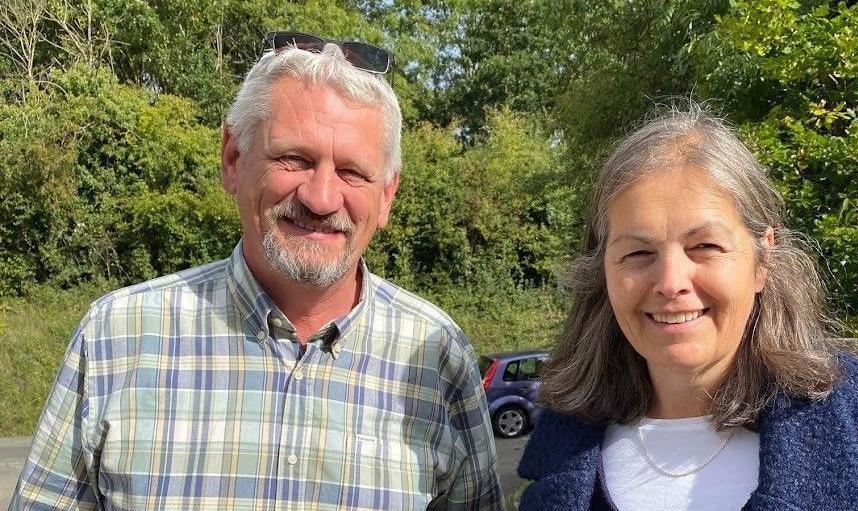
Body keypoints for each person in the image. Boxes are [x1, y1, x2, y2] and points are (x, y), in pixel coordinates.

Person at [10, 32, 504, 511]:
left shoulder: (439, 360)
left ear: (386, 196)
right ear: (232, 158)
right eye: (293, 159)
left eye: (352, 172)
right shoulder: (116, 339)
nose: (321, 197)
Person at [517, 104, 858, 511]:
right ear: (604, 272)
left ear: (763, 261)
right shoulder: (562, 438)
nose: (670, 283)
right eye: (637, 252)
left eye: (704, 246)